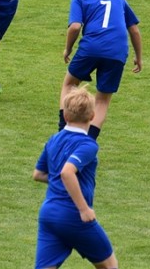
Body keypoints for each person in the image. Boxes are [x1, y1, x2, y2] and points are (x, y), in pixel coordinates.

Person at [32, 86, 118, 269]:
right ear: (92, 116)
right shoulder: (88, 145)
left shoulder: (53, 140)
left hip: (49, 214)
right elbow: (67, 172)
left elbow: (38, 174)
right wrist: (84, 209)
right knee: (110, 265)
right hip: (73, 215)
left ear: (65, 116)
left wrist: (59, 181)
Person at [60, 0, 142, 140]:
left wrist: (68, 49)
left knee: (69, 84)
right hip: (117, 52)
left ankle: (63, 134)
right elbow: (134, 30)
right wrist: (138, 57)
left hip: (91, 47)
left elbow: (75, 27)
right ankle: (87, 142)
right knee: (103, 99)